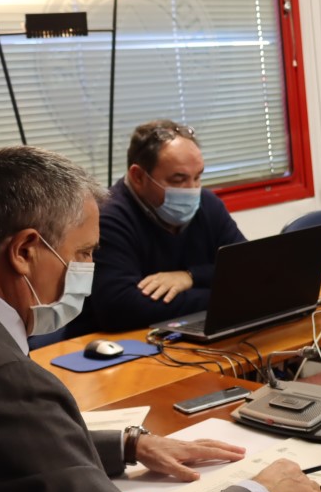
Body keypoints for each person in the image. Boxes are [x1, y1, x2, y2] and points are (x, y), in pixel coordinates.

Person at [0, 145, 321, 492]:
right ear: (24, 251)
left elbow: (5, 453)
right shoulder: (6, 379)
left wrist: (127, 445)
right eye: (82, 253)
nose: (89, 268)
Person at [67, 120, 245, 336]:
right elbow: (119, 307)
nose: (192, 190)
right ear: (138, 176)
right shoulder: (106, 217)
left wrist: (190, 277)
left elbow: (248, 269)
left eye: (197, 177)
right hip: (114, 348)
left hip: (182, 333)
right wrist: (222, 295)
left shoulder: (208, 204)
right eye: (178, 180)